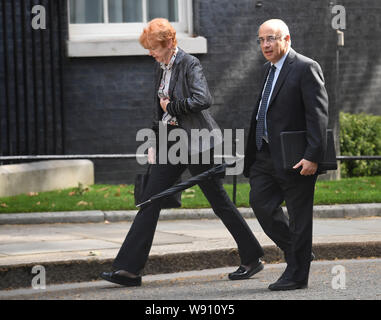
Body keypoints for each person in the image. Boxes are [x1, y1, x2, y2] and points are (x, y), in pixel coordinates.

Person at [100, 18, 264, 287]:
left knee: (218, 201)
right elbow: (158, 109)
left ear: (169, 43)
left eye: (154, 47)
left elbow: (203, 99)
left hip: (198, 142)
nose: (150, 53)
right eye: (149, 48)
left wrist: (172, 107)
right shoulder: (160, 67)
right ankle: (129, 270)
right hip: (170, 142)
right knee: (150, 200)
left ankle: (252, 257)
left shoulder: (189, 64)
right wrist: (154, 141)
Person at [243, 19, 329, 291]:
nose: (266, 45)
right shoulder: (266, 71)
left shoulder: (305, 67)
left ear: (286, 39)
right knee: (261, 204)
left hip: (296, 157)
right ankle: (299, 253)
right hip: (265, 154)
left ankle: (297, 275)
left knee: (299, 216)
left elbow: (317, 114)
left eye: (271, 38)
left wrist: (312, 155)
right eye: (261, 40)